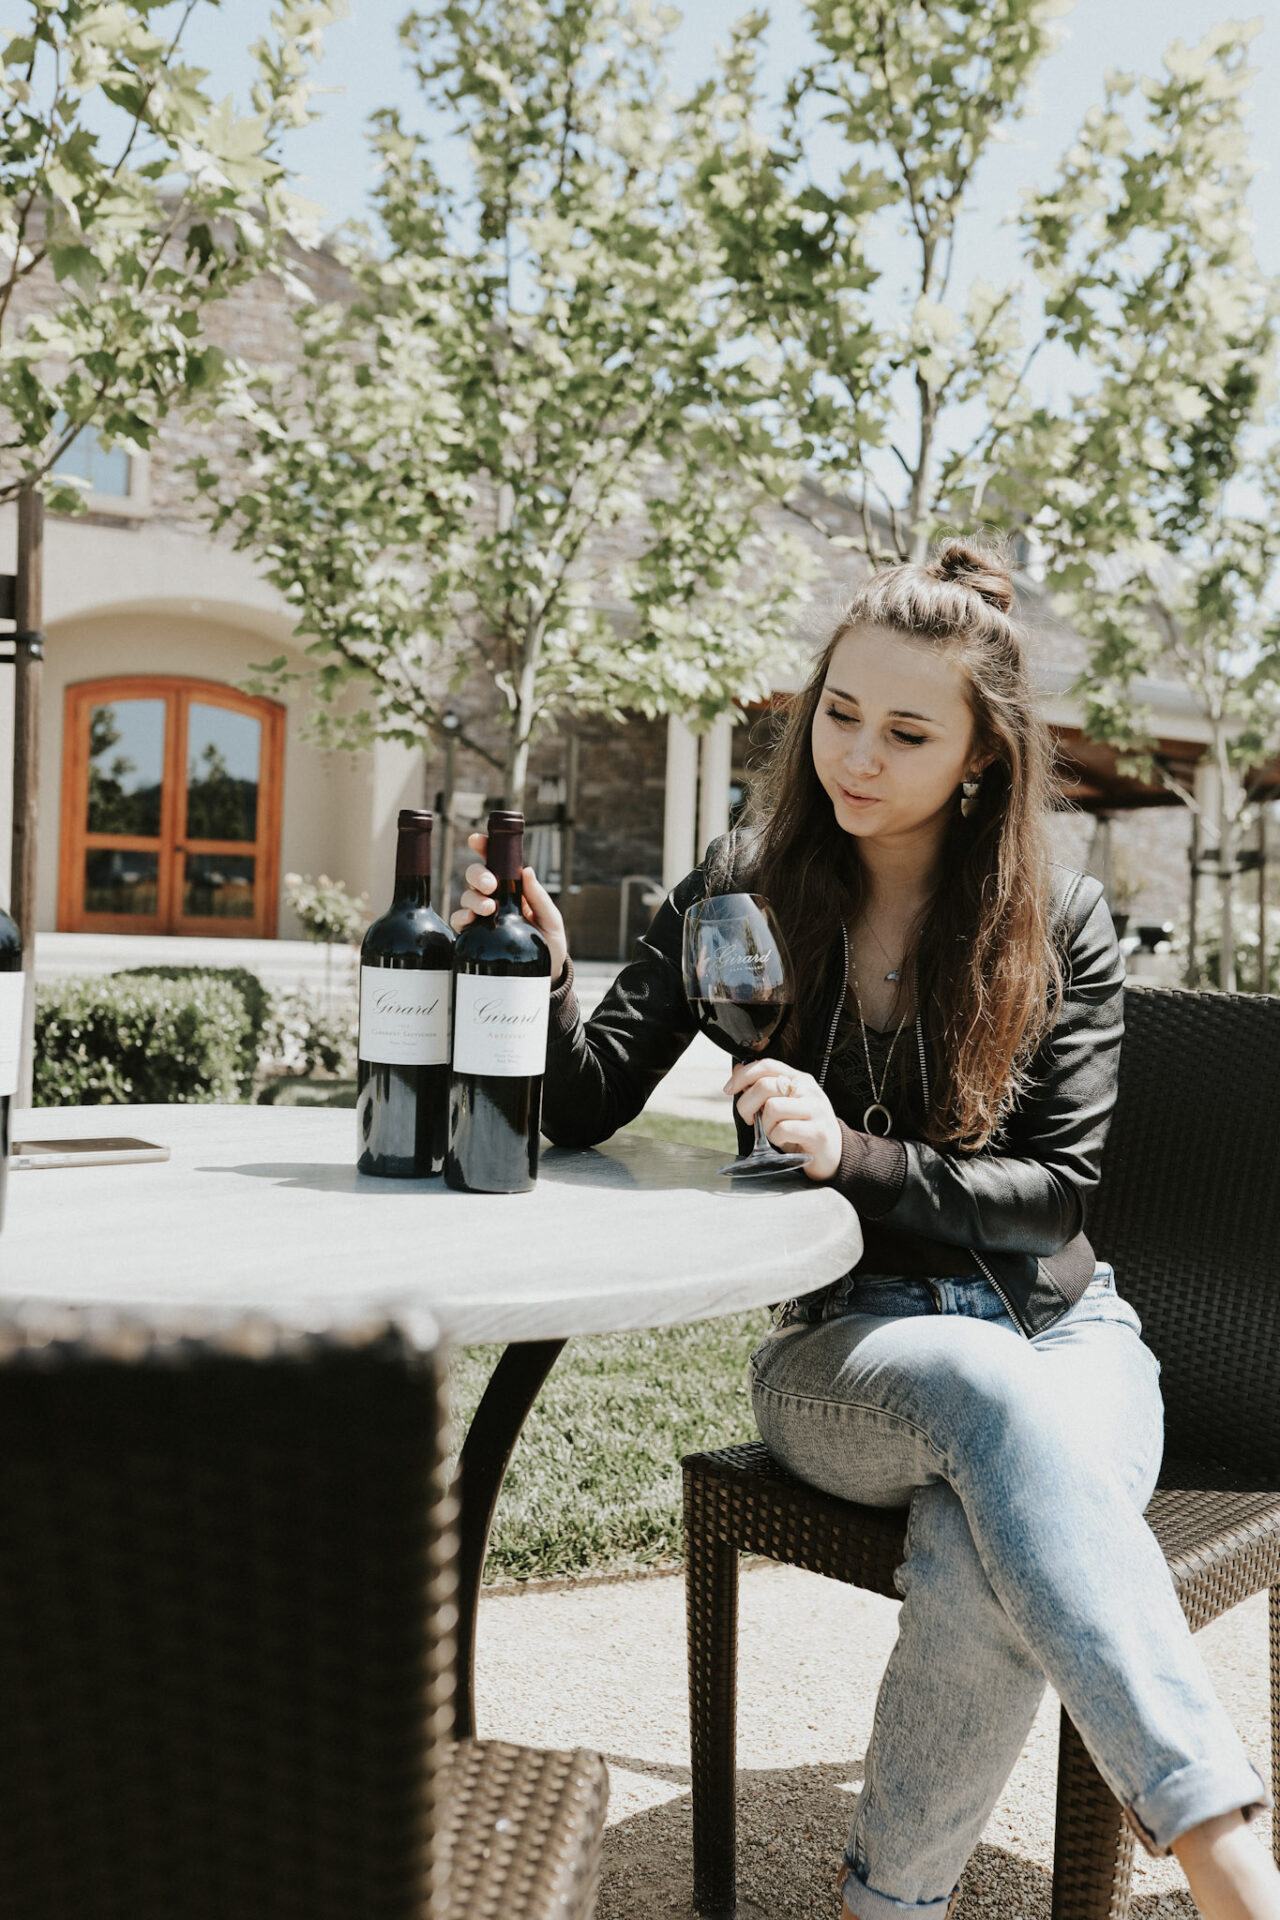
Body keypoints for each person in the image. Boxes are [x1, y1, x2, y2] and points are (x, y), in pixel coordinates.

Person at [452, 540, 1280, 1920]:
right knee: (974, 1394)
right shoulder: (742, 882)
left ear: (978, 760)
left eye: (906, 732)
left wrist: (851, 1153)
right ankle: (1226, 1854)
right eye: (840, 712)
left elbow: (1055, 1197)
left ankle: (883, 1909)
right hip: (848, 1355)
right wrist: (538, 982)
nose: (857, 755)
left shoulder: (1055, 919)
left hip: (1072, 1341)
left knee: (973, 1537)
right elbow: (585, 1101)